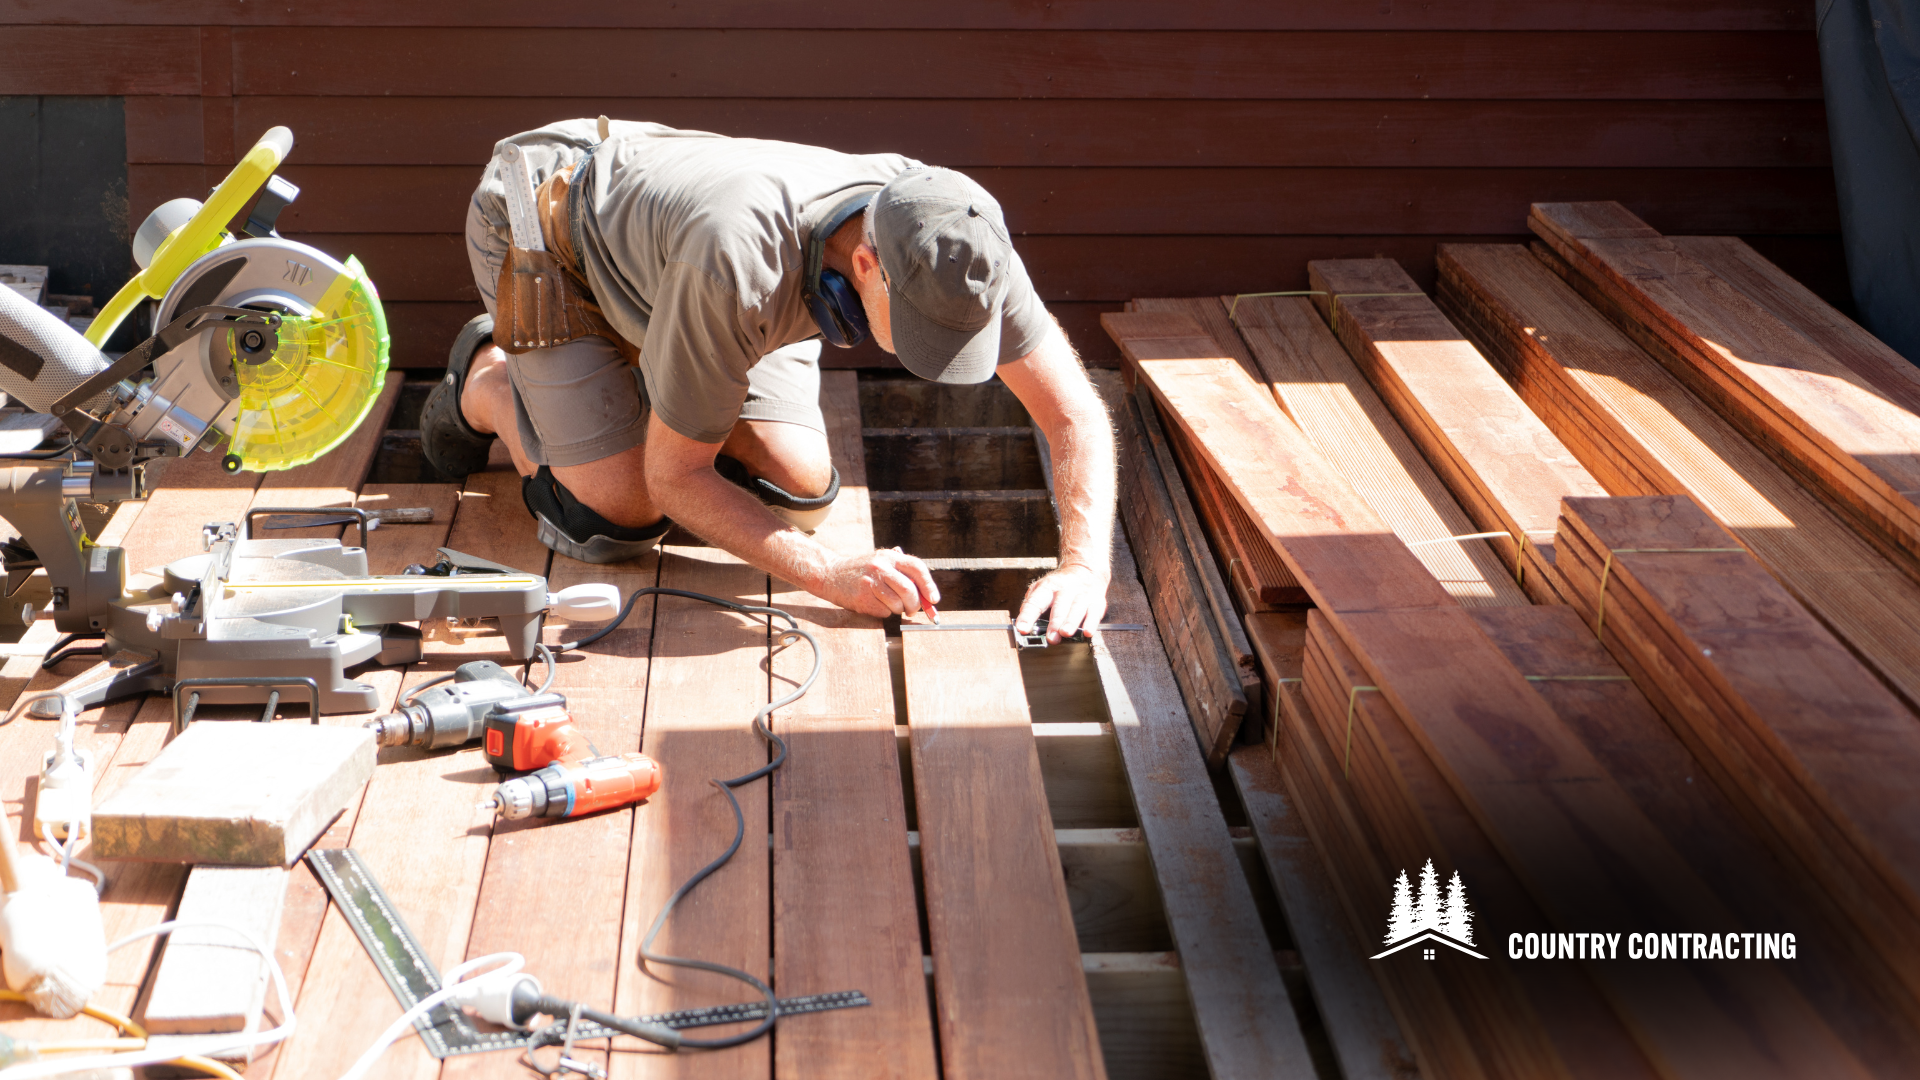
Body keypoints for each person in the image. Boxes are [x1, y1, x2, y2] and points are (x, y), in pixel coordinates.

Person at [422, 119, 1114, 641]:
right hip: (549, 220)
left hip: (686, 257)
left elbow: (1074, 414)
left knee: (799, 491)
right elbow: (676, 480)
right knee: (617, 514)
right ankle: (488, 382)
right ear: (867, 266)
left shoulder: (961, 238)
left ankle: (654, 377)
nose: (939, 358)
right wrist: (829, 575)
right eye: (922, 333)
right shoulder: (737, 263)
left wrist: (1082, 568)